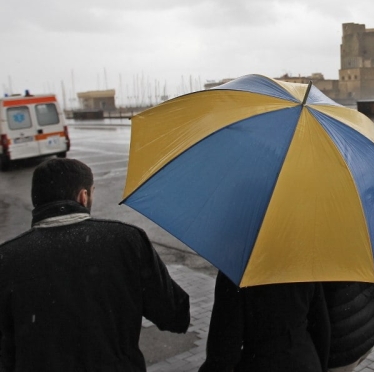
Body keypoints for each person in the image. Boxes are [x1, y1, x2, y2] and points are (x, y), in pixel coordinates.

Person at [0, 158, 190, 371]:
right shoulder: (126, 240)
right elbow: (174, 314)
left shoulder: (7, 258)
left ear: (37, 199)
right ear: (83, 196)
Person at [199, 272, 330, 372]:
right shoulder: (301, 263)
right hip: (305, 360)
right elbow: (321, 327)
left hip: (260, 363)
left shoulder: (236, 272)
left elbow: (224, 352)